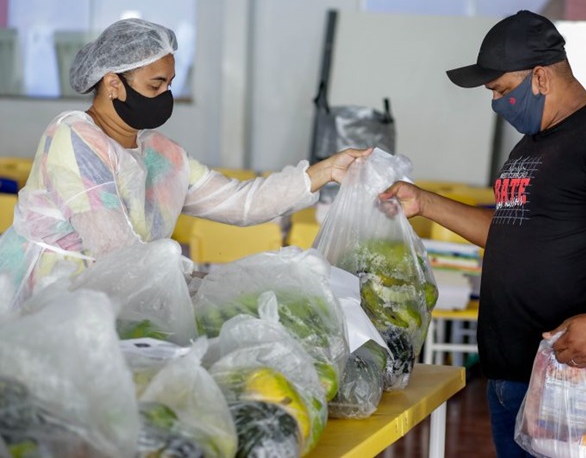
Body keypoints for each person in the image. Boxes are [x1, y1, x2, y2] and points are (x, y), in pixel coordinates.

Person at [380, 10, 586, 456]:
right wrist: (424, 202)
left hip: (564, 372)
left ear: (540, 77)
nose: (496, 103)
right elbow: (509, 232)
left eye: (500, 90)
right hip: (507, 368)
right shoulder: (532, 142)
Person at [0, 18, 370, 310]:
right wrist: (200, 285)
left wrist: (326, 170)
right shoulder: (74, 138)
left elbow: (242, 203)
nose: (165, 97)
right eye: (155, 85)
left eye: (170, 85)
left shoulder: (161, 155)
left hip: (115, 303)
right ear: (113, 83)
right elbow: (114, 249)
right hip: (46, 304)